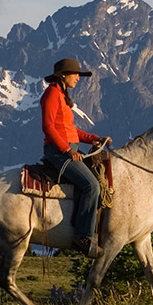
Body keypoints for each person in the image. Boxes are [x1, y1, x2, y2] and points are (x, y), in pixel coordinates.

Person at [40, 58, 109, 255]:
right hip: (58, 152)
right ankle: (83, 237)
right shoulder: (51, 94)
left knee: (97, 180)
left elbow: (70, 130)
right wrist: (68, 151)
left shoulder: (61, 95)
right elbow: (48, 127)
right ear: (63, 76)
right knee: (92, 185)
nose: (78, 78)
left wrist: (94, 139)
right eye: (75, 74)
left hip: (67, 149)